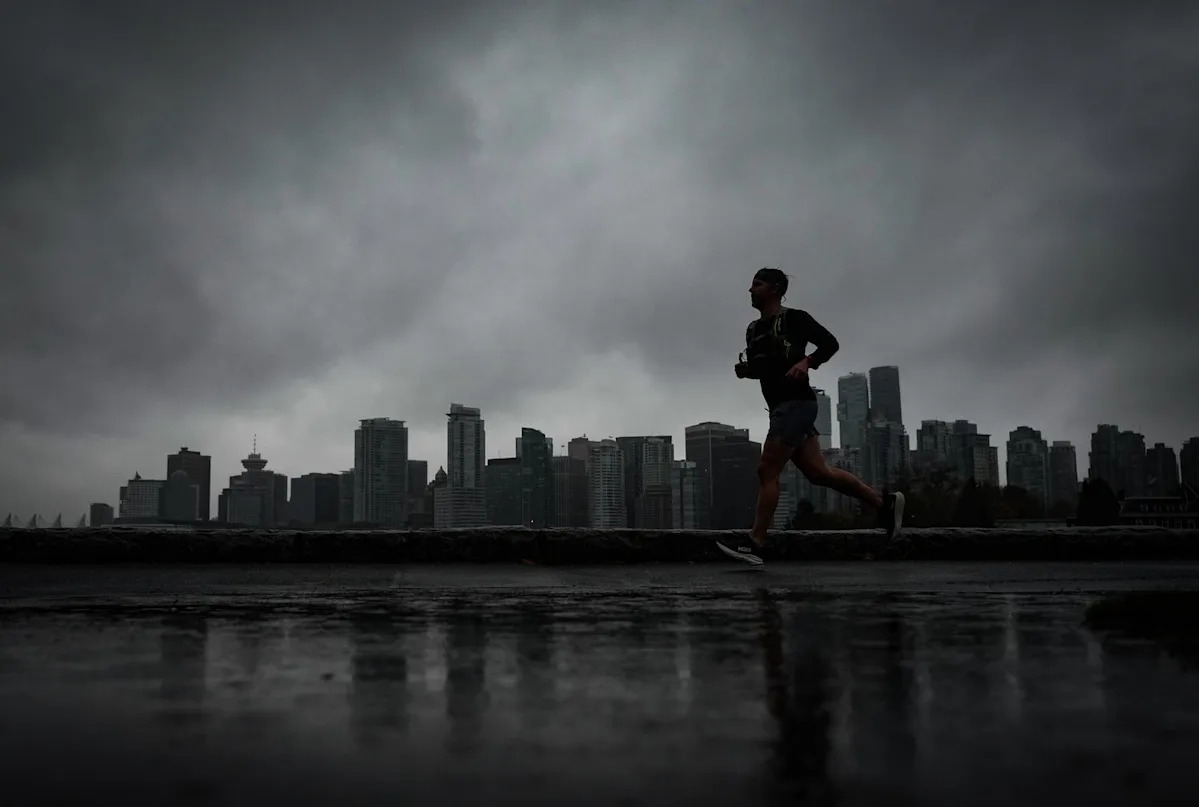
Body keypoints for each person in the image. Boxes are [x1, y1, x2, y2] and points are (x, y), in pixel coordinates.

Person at [716, 267, 904, 565]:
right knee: (819, 474)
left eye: (757, 284)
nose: (750, 290)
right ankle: (884, 503)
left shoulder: (795, 319)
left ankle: (756, 543)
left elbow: (830, 344)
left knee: (767, 469)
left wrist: (808, 361)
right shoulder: (753, 330)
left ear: (775, 289)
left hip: (797, 404)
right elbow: (768, 369)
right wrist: (748, 372)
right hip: (781, 407)